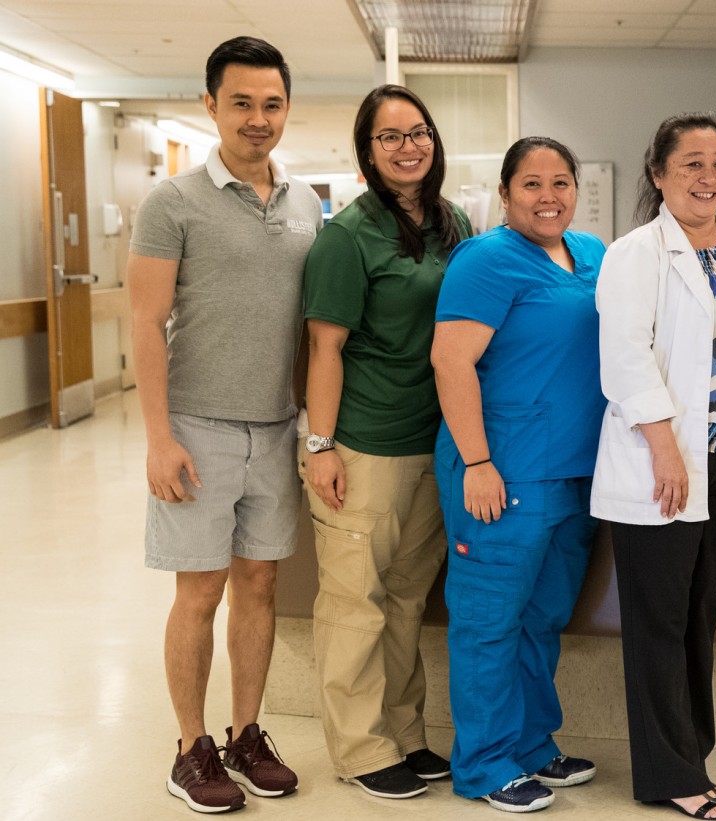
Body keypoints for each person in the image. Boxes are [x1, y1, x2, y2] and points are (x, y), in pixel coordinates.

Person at [129, 36, 319, 814]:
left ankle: (246, 733)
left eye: (271, 103)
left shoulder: (307, 203)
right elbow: (145, 322)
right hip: (197, 426)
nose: (257, 118)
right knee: (200, 590)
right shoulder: (172, 202)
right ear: (210, 104)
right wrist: (158, 437)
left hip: (276, 426)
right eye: (241, 102)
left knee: (262, 585)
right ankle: (190, 746)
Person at [592, 112, 716, 821]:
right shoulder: (636, 253)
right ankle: (671, 773)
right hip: (669, 458)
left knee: (699, 613)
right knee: (660, 618)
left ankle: (692, 754)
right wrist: (664, 446)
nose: (708, 178)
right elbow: (623, 356)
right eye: (691, 165)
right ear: (658, 175)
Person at [299, 84, 468, 799]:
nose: (409, 146)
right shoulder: (347, 235)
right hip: (365, 443)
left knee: (405, 599)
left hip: (435, 442)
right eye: (391, 136)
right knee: (353, 599)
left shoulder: (451, 221)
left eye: (419, 131)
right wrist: (320, 444)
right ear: (367, 152)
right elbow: (324, 348)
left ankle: (405, 732)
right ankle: (361, 747)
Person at [431, 136, 606, 814]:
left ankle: (533, 743)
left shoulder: (593, 255)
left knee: (543, 616)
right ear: (504, 194)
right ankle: (482, 762)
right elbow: (451, 362)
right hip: (501, 470)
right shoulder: (486, 259)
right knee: (489, 620)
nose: (548, 196)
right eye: (531, 184)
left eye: (561, 181)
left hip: (573, 474)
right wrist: (477, 460)